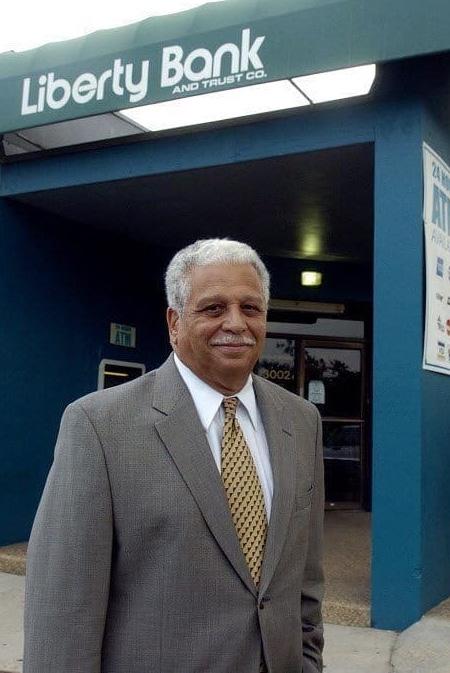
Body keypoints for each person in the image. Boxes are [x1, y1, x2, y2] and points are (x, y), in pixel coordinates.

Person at [24, 238, 324, 673]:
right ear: (174, 322)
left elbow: (306, 583)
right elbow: (62, 613)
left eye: (250, 308)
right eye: (213, 308)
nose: (236, 323)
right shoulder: (99, 426)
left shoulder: (301, 420)